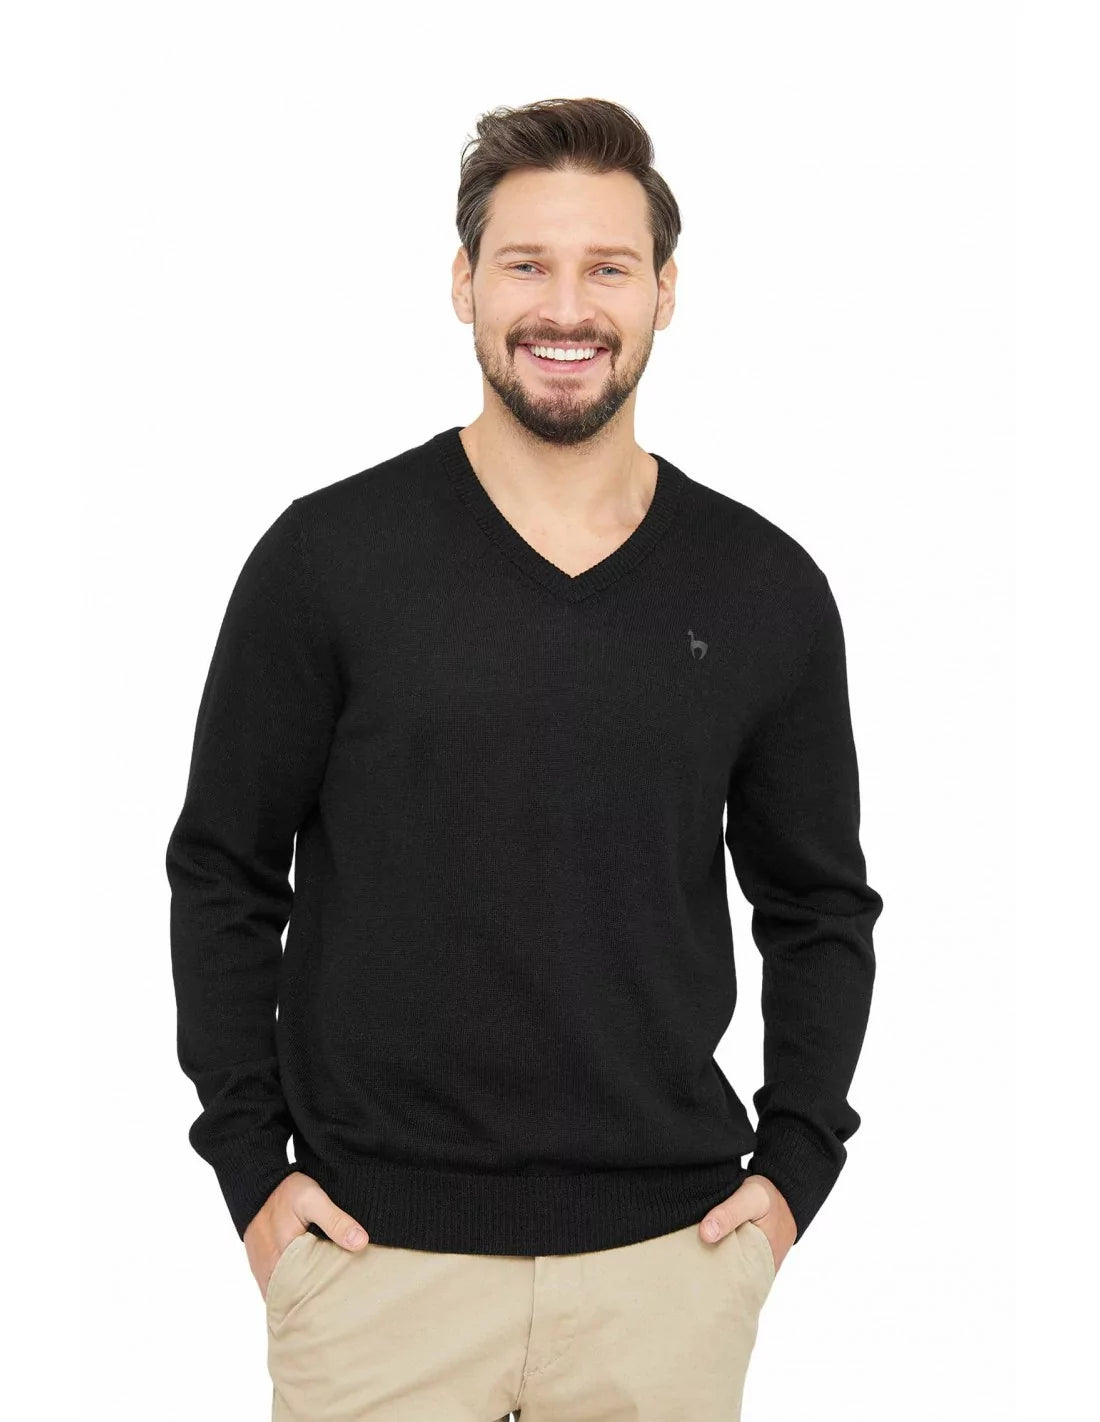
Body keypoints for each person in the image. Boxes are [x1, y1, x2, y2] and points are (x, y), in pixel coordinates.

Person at [166, 95, 884, 1421]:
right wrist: (250, 1172)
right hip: (374, 1268)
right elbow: (222, 870)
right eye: (526, 264)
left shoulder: (764, 587)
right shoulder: (328, 561)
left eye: (608, 267)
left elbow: (818, 906)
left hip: (667, 1274)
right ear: (464, 284)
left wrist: (793, 1172)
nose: (567, 307)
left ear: (666, 291)